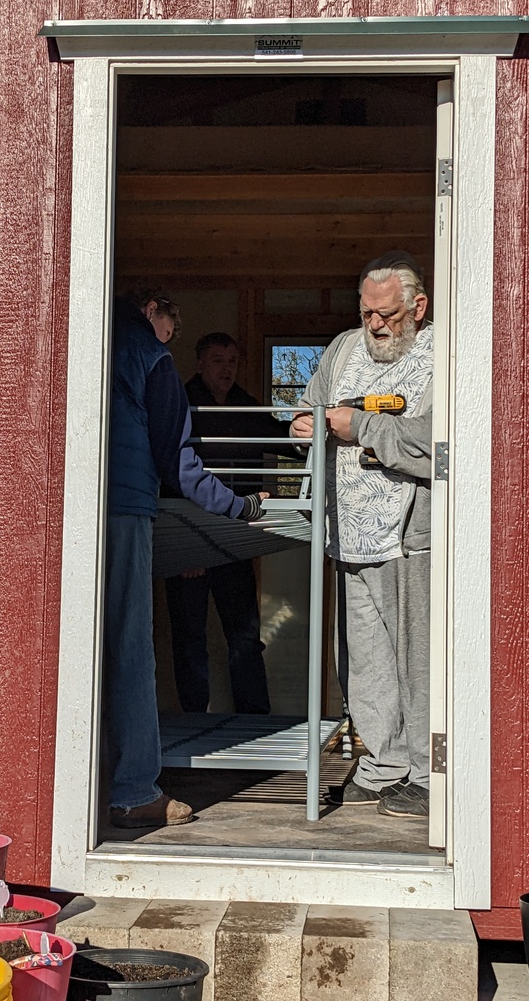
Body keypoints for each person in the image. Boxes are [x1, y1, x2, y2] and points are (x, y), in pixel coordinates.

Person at [106, 295, 267, 829]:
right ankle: (132, 790)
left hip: (73, 507)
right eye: (170, 330)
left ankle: (93, 773)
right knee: (134, 646)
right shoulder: (153, 359)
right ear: (154, 310)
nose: (168, 339)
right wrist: (238, 506)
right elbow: (180, 463)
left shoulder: (91, 337)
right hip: (130, 508)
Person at [291, 251, 433, 819]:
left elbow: (437, 442)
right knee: (364, 660)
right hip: (346, 533)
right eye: (367, 311)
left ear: (417, 308)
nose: (375, 325)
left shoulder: (439, 356)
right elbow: (308, 410)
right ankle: (382, 766)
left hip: (409, 537)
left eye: (389, 315)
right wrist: (306, 426)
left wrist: (362, 427)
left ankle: (427, 774)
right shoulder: (345, 348)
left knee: (417, 661)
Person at [164, 332, 291, 714]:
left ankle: (255, 721)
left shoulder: (244, 407)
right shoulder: (181, 404)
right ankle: (193, 725)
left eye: (232, 361)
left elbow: (282, 439)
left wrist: (311, 430)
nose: (226, 368)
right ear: (200, 363)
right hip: (189, 537)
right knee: (189, 637)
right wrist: (186, 548)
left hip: (236, 537)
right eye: (218, 360)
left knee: (246, 636)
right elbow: (170, 474)